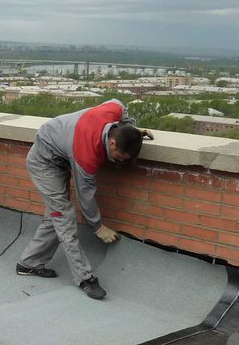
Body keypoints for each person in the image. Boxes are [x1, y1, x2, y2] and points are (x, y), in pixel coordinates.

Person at [14, 99, 153, 300]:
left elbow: (118, 104)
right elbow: (85, 195)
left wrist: (131, 129)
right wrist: (97, 226)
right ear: (112, 143)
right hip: (44, 163)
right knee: (64, 218)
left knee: (55, 215)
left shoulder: (112, 111)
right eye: (120, 157)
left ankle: (28, 263)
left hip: (60, 154)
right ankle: (85, 278)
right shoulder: (87, 152)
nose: (120, 162)